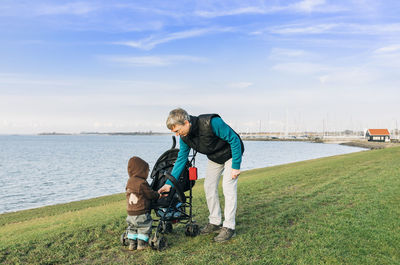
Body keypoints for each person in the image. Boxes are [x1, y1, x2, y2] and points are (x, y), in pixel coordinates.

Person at [158, 108, 244, 242]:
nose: (176, 134)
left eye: (177, 130)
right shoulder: (184, 137)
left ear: (186, 123)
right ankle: (215, 222)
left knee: (228, 187)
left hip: (231, 154)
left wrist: (236, 166)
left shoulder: (212, 122)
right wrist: (169, 184)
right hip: (215, 157)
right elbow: (181, 159)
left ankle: (229, 227)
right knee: (208, 186)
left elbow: (234, 140)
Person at [125, 156, 161, 251]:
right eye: (147, 171)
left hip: (130, 212)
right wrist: (157, 195)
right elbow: (150, 194)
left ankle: (132, 244)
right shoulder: (141, 183)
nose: (147, 174)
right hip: (141, 211)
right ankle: (141, 244)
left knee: (132, 227)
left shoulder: (129, 181)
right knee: (144, 226)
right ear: (140, 171)